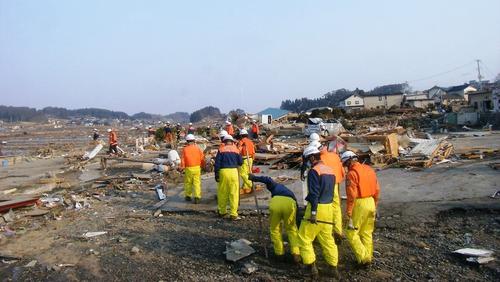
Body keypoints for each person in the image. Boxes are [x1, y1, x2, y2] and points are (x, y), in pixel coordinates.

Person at [298, 145, 339, 279]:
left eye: (307, 160)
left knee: (304, 237)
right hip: (328, 208)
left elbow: (314, 193)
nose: (307, 163)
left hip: (317, 207)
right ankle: (333, 268)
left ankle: (311, 268)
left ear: (311, 157)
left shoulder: (314, 171)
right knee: (327, 239)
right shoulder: (330, 170)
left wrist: (313, 213)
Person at [249, 174, 301, 263]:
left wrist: (253, 178)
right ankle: (296, 253)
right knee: (292, 229)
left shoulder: (276, 186)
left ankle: (279, 253)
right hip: (290, 204)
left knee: (275, 229)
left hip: (276, 202)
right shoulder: (290, 193)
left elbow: (267, 179)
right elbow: (297, 211)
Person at [341, 151, 380, 267]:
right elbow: (377, 189)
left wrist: (348, 212)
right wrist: (375, 204)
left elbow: (351, 196)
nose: (345, 167)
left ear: (348, 161)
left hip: (359, 203)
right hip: (371, 202)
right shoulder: (369, 169)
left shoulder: (352, 174)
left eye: (345, 164)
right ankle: (369, 256)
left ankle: (364, 258)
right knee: (367, 232)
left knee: (351, 232)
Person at [316, 141, 345, 242]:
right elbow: (342, 171)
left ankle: (326, 230)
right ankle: (338, 230)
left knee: (326, 206)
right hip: (335, 183)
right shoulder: (335, 156)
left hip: (325, 185)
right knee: (336, 208)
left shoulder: (320, 159)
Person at [214, 135, 243, 220]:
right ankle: (233, 214)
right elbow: (240, 162)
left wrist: (216, 174)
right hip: (233, 171)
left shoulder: (221, 150)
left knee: (223, 192)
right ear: (232, 141)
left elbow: (217, 163)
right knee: (234, 193)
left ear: (224, 142)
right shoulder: (236, 150)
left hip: (223, 172)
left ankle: (222, 212)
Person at [180, 134, 205, 204]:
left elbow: (183, 159)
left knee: (188, 182)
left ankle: (188, 196)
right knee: (197, 183)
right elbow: (202, 158)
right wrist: (203, 166)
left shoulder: (185, 149)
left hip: (188, 168)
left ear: (187, 141)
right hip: (197, 168)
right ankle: (197, 197)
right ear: (194, 141)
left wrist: (182, 167)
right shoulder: (198, 149)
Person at [237, 129, 255, 194]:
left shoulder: (241, 142)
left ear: (241, 135)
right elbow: (253, 151)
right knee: (248, 173)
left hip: (244, 159)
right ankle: (246, 187)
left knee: (243, 173)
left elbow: (238, 151)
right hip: (250, 159)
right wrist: (253, 159)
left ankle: (250, 185)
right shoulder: (250, 141)